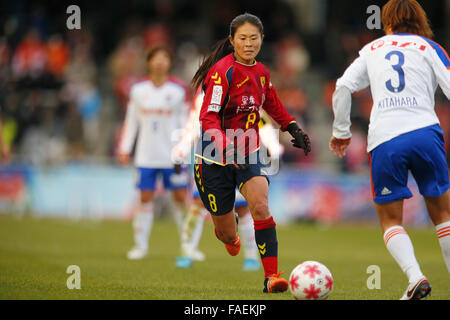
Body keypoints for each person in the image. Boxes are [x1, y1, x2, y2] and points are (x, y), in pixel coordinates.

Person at [330, 0, 450, 300]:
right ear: (419, 19)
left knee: (391, 220)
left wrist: (341, 132)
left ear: (387, 22)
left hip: (386, 139)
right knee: (444, 216)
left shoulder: (372, 50)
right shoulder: (430, 48)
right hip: (425, 132)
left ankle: (415, 277)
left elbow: (343, 87)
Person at [190, 13, 311, 293]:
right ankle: (229, 232)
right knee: (226, 233)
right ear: (232, 41)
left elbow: (273, 105)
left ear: (262, 40)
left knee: (260, 206)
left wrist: (294, 129)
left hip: (249, 151)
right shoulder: (222, 72)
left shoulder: (263, 73)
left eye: (253, 38)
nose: (248, 43)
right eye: (242, 38)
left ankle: (272, 277)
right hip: (212, 156)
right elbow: (207, 118)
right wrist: (225, 145)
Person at [173, 88, 283, 271]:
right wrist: (181, 151)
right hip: (209, 158)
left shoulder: (248, 92)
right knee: (198, 203)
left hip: (243, 157)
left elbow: (261, 121)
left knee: (243, 208)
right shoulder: (204, 96)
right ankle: (187, 251)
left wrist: (273, 146)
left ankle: (250, 256)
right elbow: (193, 125)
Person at [118, 46, 190, 260]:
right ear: (149, 62)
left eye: (164, 58)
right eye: (155, 58)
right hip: (146, 155)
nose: (159, 62)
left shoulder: (178, 90)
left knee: (179, 198)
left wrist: (184, 148)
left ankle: (187, 245)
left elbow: (185, 122)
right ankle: (140, 247)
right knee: (145, 198)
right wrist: (124, 147)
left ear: (169, 62)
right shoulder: (138, 90)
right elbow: (131, 122)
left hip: (172, 155)